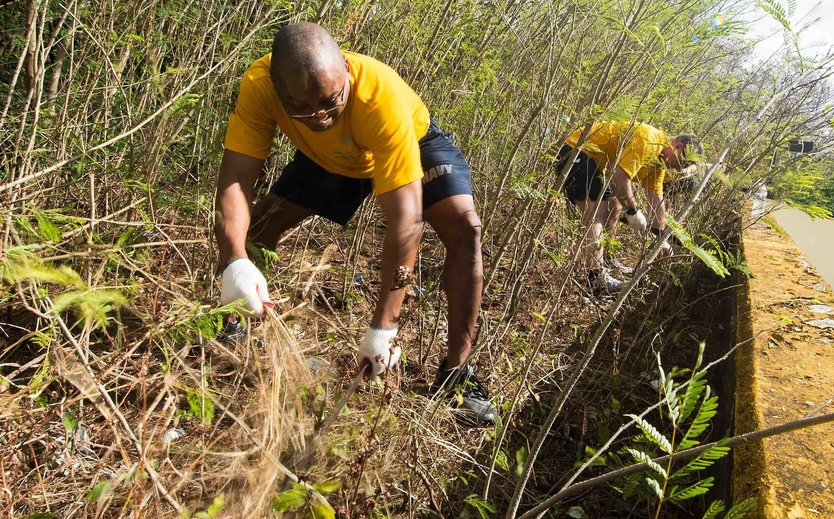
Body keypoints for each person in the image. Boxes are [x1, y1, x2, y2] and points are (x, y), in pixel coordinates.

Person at [213, 22, 496, 425]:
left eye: (331, 100)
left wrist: (384, 326)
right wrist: (234, 258)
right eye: (301, 107)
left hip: (413, 143)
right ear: (278, 90)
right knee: (255, 230)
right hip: (330, 158)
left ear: (346, 68)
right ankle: (233, 324)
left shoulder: (382, 97)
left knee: (465, 229)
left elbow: (406, 221)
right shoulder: (259, 85)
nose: (321, 115)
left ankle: (456, 373)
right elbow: (237, 180)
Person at [555, 121, 701, 295]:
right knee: (597, 212)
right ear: (677, 146)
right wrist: (632, 210)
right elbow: (619, 175)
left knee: (614, 207)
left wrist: (661, 237)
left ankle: (607, 260)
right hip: (575, 152)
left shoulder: (658, 162)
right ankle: (596, 279)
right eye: (682, 163)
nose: (679, 169)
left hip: (595, 163)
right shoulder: (649, 140)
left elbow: (656, 198)